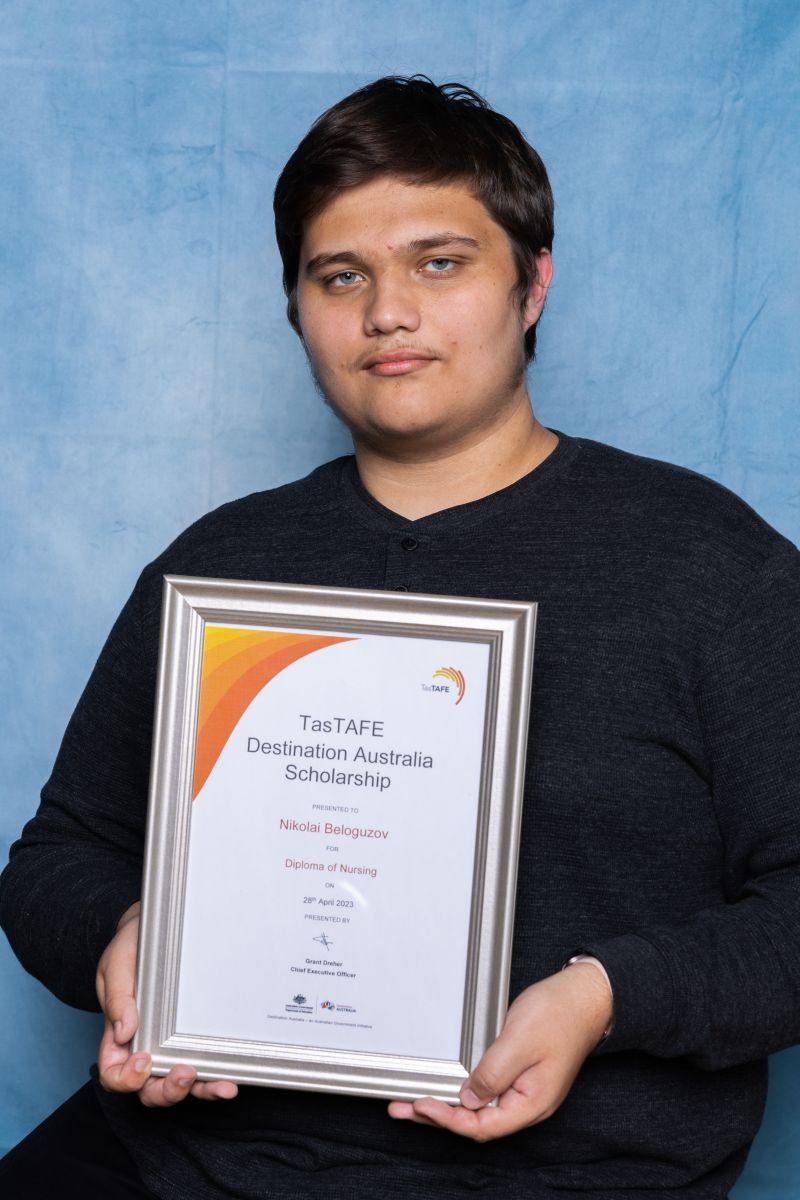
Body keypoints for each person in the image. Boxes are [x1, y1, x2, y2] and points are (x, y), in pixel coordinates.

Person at [1, 74, 799, 1200]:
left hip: (568, 1175)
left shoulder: (708, 565)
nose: (387, 312)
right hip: (189, 1159)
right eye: (341, 276)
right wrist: (122, 935)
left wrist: (606, 995)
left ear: (530, 283)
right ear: (296, 310)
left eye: (439, 262)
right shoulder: (218, 567)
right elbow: (57, 856)